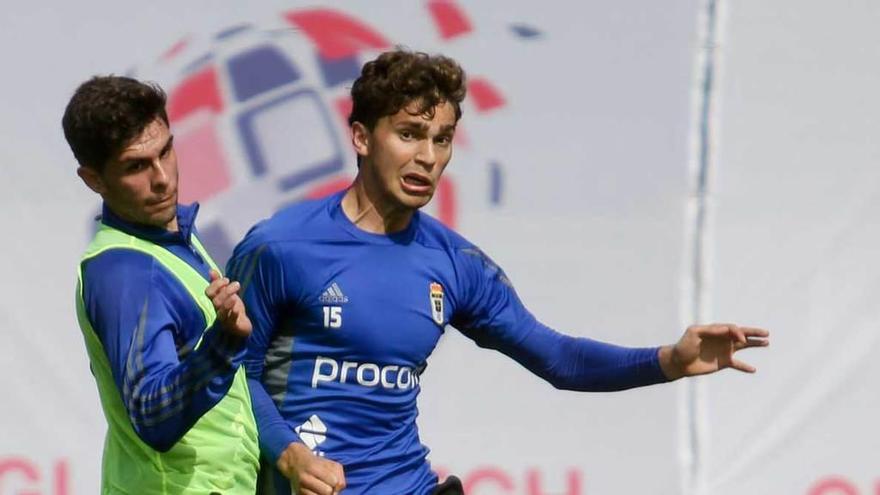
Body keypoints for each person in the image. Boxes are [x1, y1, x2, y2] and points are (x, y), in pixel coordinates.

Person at [226, 50, 769, 495]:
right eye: (410, 134)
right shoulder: (282, 246)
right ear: (363, 138)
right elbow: (233, 373)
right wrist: (291, 456)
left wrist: (669, 361)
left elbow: (558, 357)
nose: (428, 157)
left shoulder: (455, 263)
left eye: (441, 139)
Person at [64, 76, 260, 494]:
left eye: (166, 151)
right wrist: (223, 343)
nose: (163, 179)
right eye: (136, 166)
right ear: (94, 179)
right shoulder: (127, 272)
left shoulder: (170, 239)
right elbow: (153, 415)